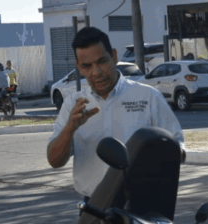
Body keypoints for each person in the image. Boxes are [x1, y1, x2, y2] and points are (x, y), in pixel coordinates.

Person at [47, 27, 184, 199]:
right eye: (87, 66)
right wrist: (69, 129)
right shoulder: (72, 106)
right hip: (93, 209)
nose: (96, 72)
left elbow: (177, 146)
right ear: (78, 68)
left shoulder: (148, 97)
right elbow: (54, 161)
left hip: (142, 204)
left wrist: (153, 160)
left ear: (114, 56)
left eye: (101, 61)